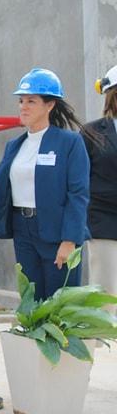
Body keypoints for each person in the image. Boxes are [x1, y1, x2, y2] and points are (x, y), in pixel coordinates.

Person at [0, 68, 90, 300]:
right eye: (21, 101)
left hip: (57, 233)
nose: (23, 107)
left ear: (49, 105)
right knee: (32, 301)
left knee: (61, 304)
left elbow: (78, 194)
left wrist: (70, 240)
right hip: (23, 230)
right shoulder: (15, 145)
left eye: (31, 101)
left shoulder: (70, 142)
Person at [83, 64, 117, 314]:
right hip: (104, 221)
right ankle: (105, 347)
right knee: (106, 292)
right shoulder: (91, 132)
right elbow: (80, 180)